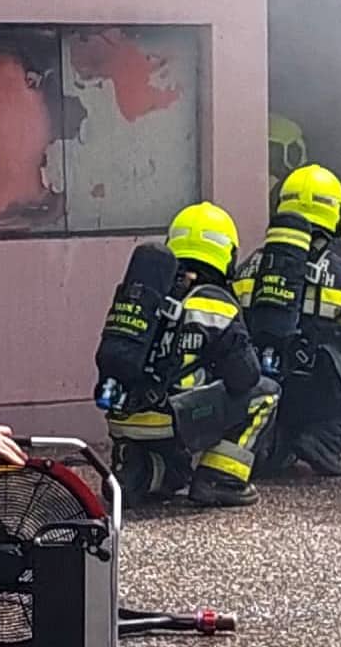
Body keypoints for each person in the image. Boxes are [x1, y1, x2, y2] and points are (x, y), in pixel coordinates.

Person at [99, 202, 280, 508]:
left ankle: (142, 473)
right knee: (266, 392)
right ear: (227, 254)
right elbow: (245, 375)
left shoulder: (146, 292)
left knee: (173, 470)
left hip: (121, 417)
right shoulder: (214, 303)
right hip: (171, 420)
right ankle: (220, 478)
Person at [234, 164, 341, 477]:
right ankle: (322, 442)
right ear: (334, 214)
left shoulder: (250, 265)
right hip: (316, 393)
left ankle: (270, 445)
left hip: (261, 390)